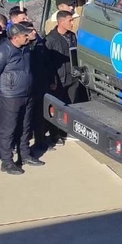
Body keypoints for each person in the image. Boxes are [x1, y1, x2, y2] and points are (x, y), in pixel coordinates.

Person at [0, 23, 44, 175]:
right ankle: (7, 162)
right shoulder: (2, 52)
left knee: (25, 127)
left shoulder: (25, 49)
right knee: (8, 129)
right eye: (24, 35)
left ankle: (25, 155)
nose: (27, 37)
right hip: (10, 96)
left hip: (27, 93)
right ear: (15, 37)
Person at [45, 10, 82, 146]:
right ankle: (55, 134)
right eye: (69, 20)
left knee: (72, 105)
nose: (72, 23)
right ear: (60, 22)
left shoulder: (73, 36)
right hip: (58, 80)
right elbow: (47, 63)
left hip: (73, 77)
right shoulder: (50, 39)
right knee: (57, 107)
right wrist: (51, 81)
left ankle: (68, 131)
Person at [20, 21, 51, 151]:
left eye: (34, 30)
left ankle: (40, 140)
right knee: (26, 119)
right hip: (27, 87)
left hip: (41, 84)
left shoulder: (40, 44)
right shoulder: (22, 48)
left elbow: (46, 63)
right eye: (31, 30)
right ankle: (24, 146)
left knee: (40, 114)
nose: (34, 32)